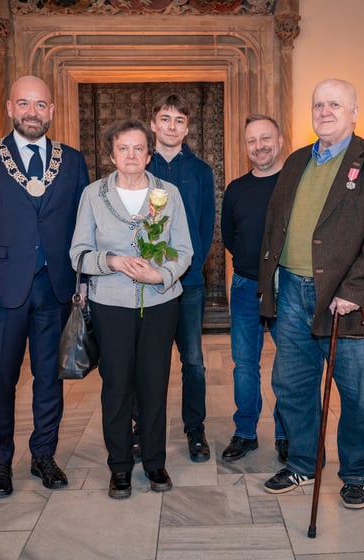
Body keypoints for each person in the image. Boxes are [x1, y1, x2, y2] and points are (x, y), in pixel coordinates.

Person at [258, 79, 364, 509]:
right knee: (292, 385)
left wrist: (355, 289)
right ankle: (303, 462)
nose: (325, 111)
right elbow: (276, 223)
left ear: (355, 112)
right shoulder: (298, 160)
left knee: (360, 394)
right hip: (293, 294)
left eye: (335, 104)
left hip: (349, 301)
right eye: (318, 104)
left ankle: (357, 473)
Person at [0, 75, 90, 498]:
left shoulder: (72, 160)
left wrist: (83, 281)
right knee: (0, 380)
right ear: (10, 108)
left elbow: (84, 225)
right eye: (25, 104)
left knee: (50, 377)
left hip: (55, 289)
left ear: (52, 110)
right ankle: (1, 463)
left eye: (42, 104)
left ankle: (44, 455)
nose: (34, 112)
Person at [70, 119, 193, 499]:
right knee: (117, 387)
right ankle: (120, 466)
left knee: (155, 385)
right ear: (111, 154)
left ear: (149, 154)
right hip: (111, 306)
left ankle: (155, 463)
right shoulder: (93, 194)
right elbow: (78, 254)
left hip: (159, 304)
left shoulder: (168, 193)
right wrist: (113, 262)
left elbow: (185, 250)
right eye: (123, 148)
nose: (131, 155)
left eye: (139, 148)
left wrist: (162, 277)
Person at [147, 94, 216, 462]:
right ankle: (144, 428)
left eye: (178, 120)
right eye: (165, 118)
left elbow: (206, 226)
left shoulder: (201, 171)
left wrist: (185, 268)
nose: (171, 126)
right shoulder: (140, 166)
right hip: (147, 282)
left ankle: (195, 430)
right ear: (154, 123)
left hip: (188, 284)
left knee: (193, 361)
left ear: (187, 127)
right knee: (150, 361)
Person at [220, 114, 289, 463]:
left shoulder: (295, 184)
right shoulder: (236, 189)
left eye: (265, 138)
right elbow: (231, 238)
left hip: (286, 285)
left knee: (288, 363)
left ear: (279, 140)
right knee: (244, 363)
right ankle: (245, 432)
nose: (259, 146)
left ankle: (285, 433)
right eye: (251, 141)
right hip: (246, 285)